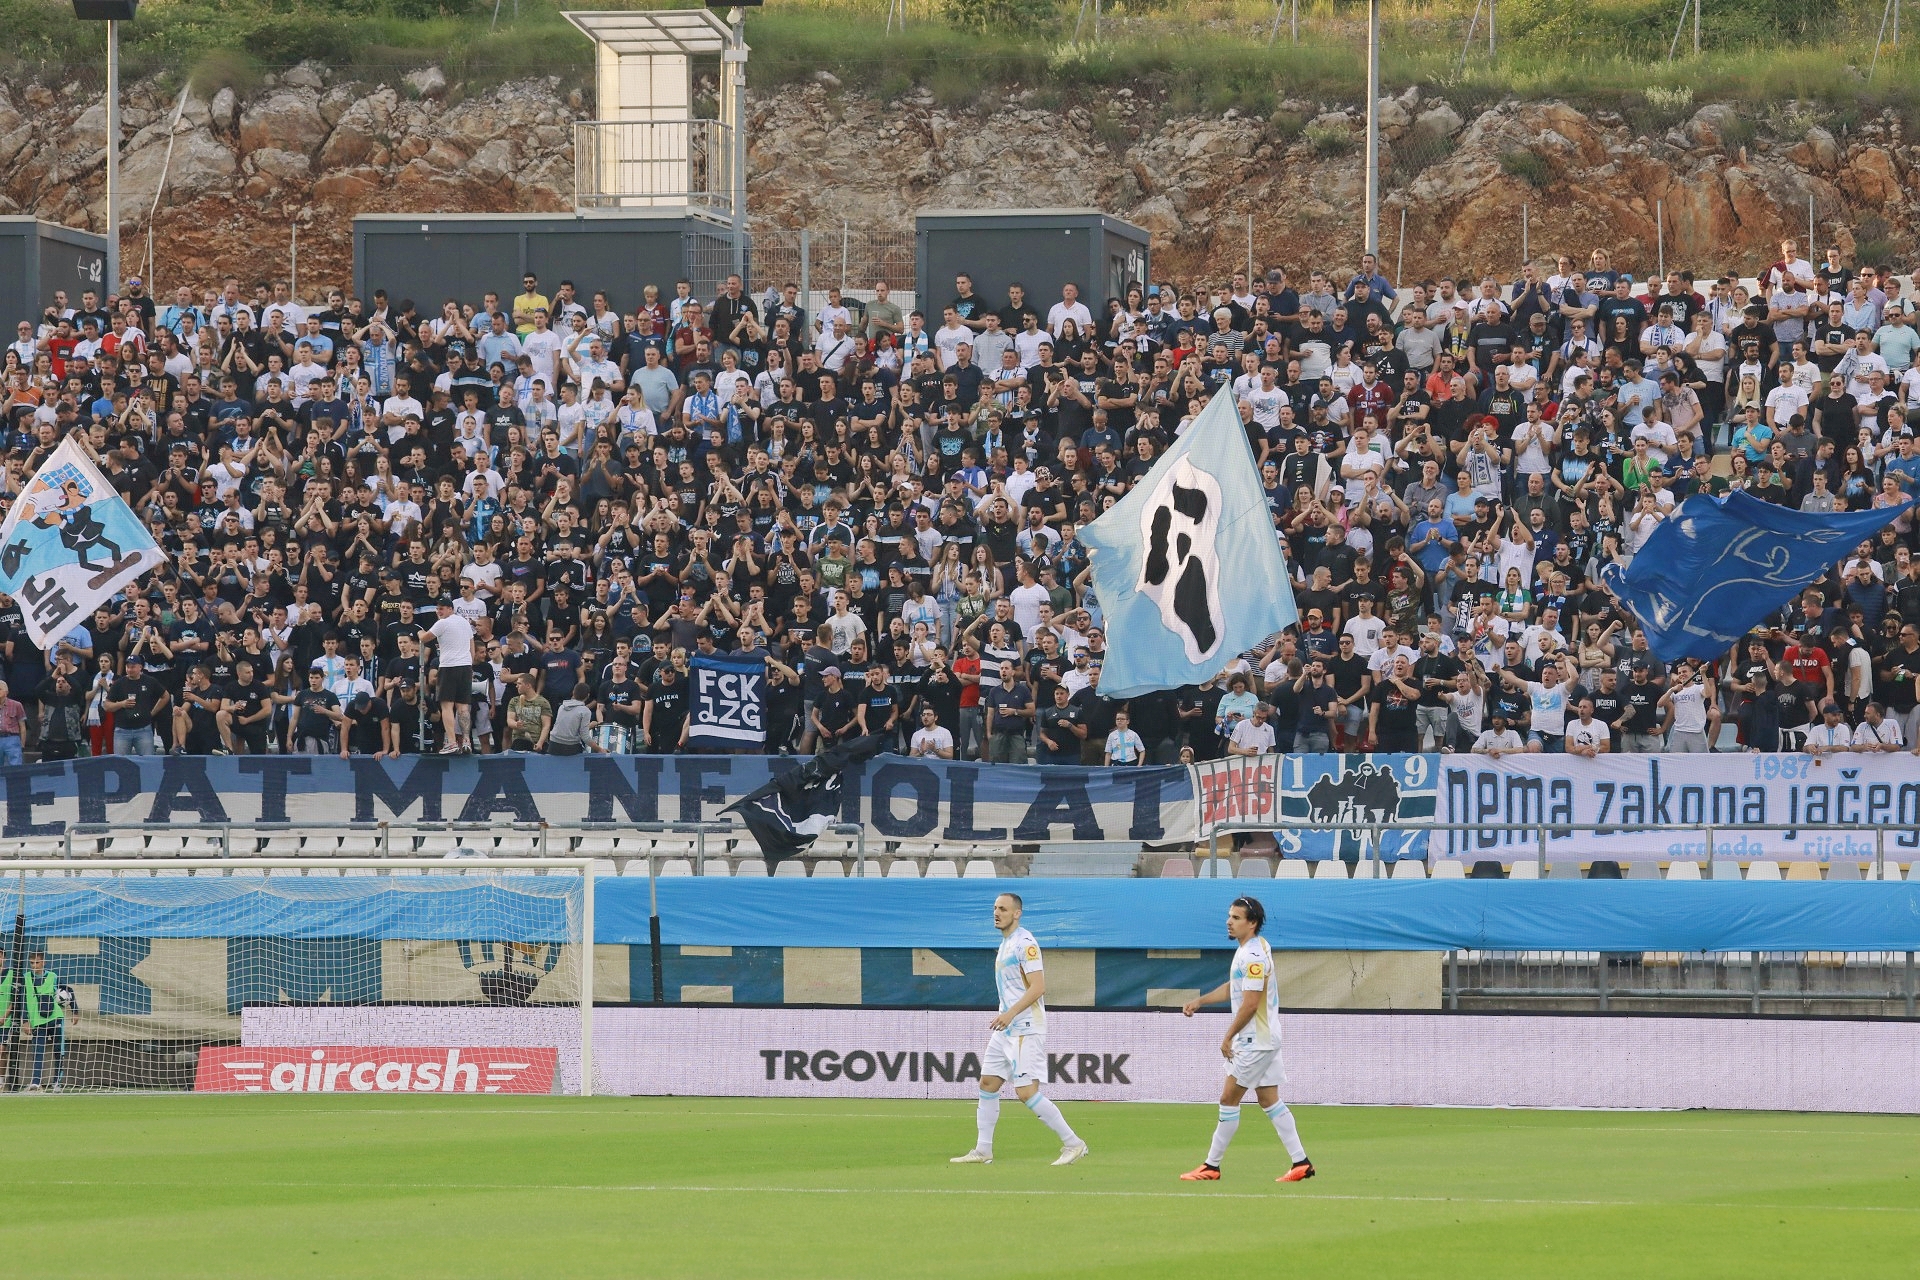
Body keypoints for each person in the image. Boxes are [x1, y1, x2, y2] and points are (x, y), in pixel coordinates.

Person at [1178, 896, 1314, 1183]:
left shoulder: (1253, 956)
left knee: (1228, 1099)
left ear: (1252, 923)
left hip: (1256, 1040)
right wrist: (1201, 1000)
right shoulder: (1255, 947)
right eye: (1229, 916)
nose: (1229, 922)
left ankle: (1211, 1166)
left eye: (1236, 918)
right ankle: (1301, 1163)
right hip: (1265, 1038)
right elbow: (1237, 986)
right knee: (1268, 1099)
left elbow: (1251, 1003)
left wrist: (1228, 1036)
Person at [951, 892, 1088, 1167]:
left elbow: (1039, 987)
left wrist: (1010, 1013)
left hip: (1025, 1026)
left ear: (1017, 913)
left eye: (1003, 909)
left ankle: (1074, 1144)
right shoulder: (1005, 944)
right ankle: (983, 1150)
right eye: (995, 908)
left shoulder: (1025, 944)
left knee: (1026, 1092)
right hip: (1006, 1028)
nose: (996, 913)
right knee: (988, 1084)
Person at [422, 594, 476, 754]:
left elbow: (424, 638)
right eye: (437, 609)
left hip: (449, 666)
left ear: (450, 609)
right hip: (465, 666)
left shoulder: (442, 623)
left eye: (442, 609)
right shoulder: (465, 622)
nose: (439, 612)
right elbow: (472, 645)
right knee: (463, 706)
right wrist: (470, 664)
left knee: (447, 705)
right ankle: (466, 741)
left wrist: (419, 633)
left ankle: (452, 742)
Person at [23, 950, 69, 1091]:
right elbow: (22, 1000)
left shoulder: (53, 976)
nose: (34, 966)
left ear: (43, 962)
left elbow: (68, 991)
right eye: (32, 963)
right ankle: (36, 1082)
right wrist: (25, 1020)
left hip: (55, 1018)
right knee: (38, 1050)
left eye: (37, 962)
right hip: (37, 1020)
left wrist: (75, 1011)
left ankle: (57, 1083)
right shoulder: (25, 978)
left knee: (58, 1049)